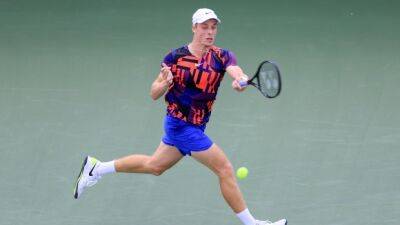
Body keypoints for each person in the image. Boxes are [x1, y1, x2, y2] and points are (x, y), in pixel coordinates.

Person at [73, 8, 287, 225]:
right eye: (204, 27)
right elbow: (153, 93)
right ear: (194, 28)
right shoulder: (174, 58)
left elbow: (235, 71)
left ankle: (96, 168)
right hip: (181, 126)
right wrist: (165, 83)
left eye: (213, 27)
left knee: (155, 166)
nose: (210, 32)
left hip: (197, 125)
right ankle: (254, 224)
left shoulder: (222, 56)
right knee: (225, 169)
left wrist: (240, 80)